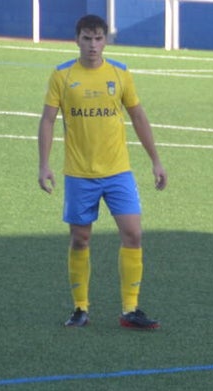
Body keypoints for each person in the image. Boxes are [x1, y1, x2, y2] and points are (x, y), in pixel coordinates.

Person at [38, 14, 167, 330]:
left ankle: (130, 309)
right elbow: (47, 120)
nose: (93, 45)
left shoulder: (120, 74)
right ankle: (80, 308)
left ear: (105, 40)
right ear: (77, 39)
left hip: (118, 172)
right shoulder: (62, 76)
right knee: (80, 239)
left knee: (133, 233)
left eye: (98, 39)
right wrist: (44, 164)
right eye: (87, 38)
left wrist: (156, 160)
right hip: (79, 174)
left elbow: (138, 116)